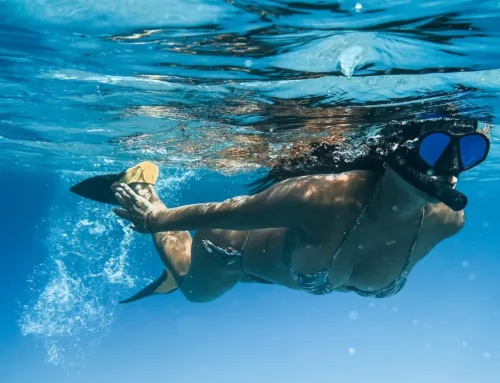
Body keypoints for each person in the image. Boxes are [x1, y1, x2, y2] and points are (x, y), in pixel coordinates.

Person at [71, 116, 490, 303]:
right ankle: (144, 189)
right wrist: (155, 218)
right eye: (436, 149)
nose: (451, 169)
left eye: (470, 152)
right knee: (196, 292)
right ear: (399, 153)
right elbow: (226, 212)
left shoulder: (447, 221)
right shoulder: (323, 198)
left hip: (279, 268)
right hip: (230, 250)